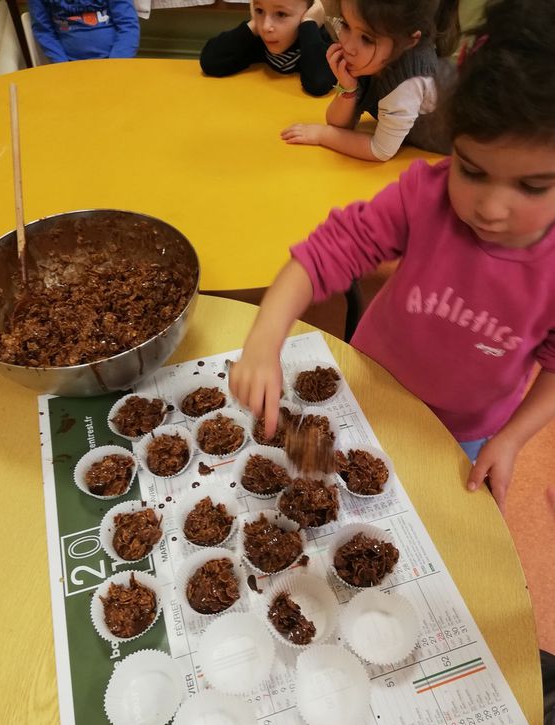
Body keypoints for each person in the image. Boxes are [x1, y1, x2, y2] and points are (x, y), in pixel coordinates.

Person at [229, 0, 555, 511]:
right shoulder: (424, 196)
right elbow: (320, 256)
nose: (490, 208)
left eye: (533, 186)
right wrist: (264, 339)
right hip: (367, 390)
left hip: (466, 430)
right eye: (470, 170)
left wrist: (512, 438)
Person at [281, 0, 459, 160]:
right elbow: (338, 124)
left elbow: (380, 150)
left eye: (366, 39)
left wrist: (322, 135)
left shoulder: (408, 83)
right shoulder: (374, 57)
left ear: (408, 42)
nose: (348, 47)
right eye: (345, 24)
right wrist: (347, 88)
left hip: (460, 151)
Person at [199, 0, 336, 97]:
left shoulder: (316, 40)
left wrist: (308, 23)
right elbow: (210, 62)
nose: (265, 26)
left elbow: (319, 84)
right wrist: (253, 25)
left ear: (310, 12)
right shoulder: (258, 38)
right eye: (259, 10)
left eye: (281, 14)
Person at [29, 0, 140, 63]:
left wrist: (115, 64)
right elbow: (43, 30)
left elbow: (128, 25)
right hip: (68, 64)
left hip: (114, 61)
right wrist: (62, 64)